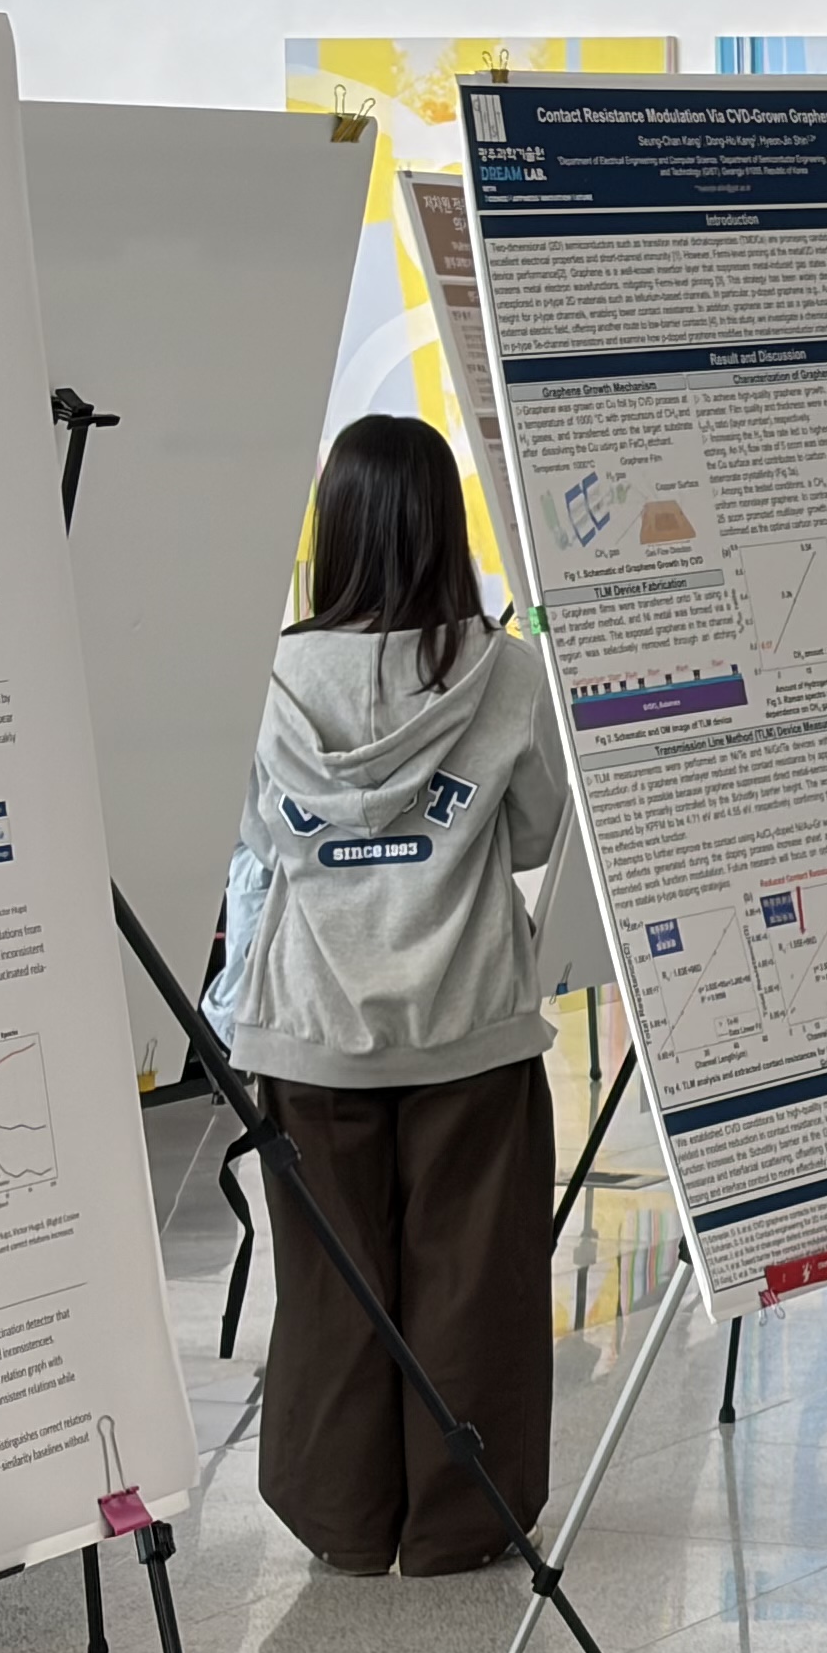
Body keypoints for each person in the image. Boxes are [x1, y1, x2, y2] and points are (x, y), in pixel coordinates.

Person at [214, 416, 568, 1576]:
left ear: (336, 531)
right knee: (473, 1286)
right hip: (471, 1027)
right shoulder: (507, 675)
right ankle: (462, 1524)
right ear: (442, 528)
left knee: (332, 1289)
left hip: (310, 1033)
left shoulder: (265, 681)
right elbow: (533, 835)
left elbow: (263, 837)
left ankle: (344, 1522)